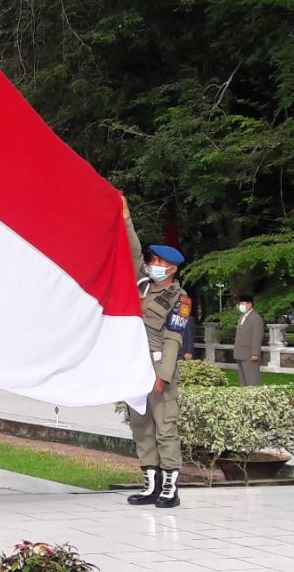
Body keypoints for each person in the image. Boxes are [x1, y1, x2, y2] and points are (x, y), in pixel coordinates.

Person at [122, 197, 188, 509]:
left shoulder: (179, 297)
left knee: (165, 427)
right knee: (141, 426)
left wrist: (162, 376)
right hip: (135, 365)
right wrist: (126, 218)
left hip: (159, 365)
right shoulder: (143, 284)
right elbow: (133, 252)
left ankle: (170, 489)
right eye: (153, 261)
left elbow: (174, 337)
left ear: (173, 268)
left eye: (160, 264)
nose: (154, 266)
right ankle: (151, 483)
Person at [233, 295, 264, 386]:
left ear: (249, 304)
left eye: (242, 303)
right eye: (240, 304)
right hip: (240, 353)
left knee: (252, 381)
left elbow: (257, 336)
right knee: (243, 381)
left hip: (249, 354)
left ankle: (255, 399)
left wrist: (255, 353)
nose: (240, 306)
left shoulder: (256, 318)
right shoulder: (242, 316)